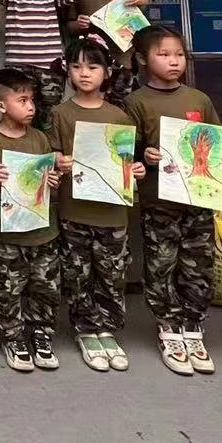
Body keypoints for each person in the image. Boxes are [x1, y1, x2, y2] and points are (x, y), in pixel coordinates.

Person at [125, 25, 222, 376]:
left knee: (199, 263)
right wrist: (144, 155)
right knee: (160, 264)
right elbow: (126, 150)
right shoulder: (136, 102)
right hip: (159, 201)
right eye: (163, 54)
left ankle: (193, 325)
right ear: (142, 59)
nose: (173, 61)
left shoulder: (199, 100)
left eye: (179, 54)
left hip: (197, 200)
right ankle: (168, 325)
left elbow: (215, 140)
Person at [52, 34, 143, 373]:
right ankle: (86, 330)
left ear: (107, 72)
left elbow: (128, 160)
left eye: (92, 67)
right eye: (76, 67)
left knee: (111, 272)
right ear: (68, 71)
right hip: (74, 209)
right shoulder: (61, 113)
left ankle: (107, 329)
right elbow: (52, 152)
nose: (84, 73)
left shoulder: (119, 116)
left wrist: (136, 169)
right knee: (78, 272)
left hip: (112, 211)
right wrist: (57, 160)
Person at [0, 68, 64, 373]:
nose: (30, 107)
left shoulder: (40, 138)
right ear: (1, 106)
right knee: (8, 288)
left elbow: (49, 180)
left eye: (32, 100)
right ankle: (12, 336)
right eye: (22, 100)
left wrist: (53, 180)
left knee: (45, 285)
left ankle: (41, 332)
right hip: (8, 234)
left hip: (43, 231)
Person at [0, 0, 71, 130]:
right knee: (18, 114)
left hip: (50, 67)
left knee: (50, 115)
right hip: (19, 67)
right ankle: (22, 146)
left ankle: (49, 147)